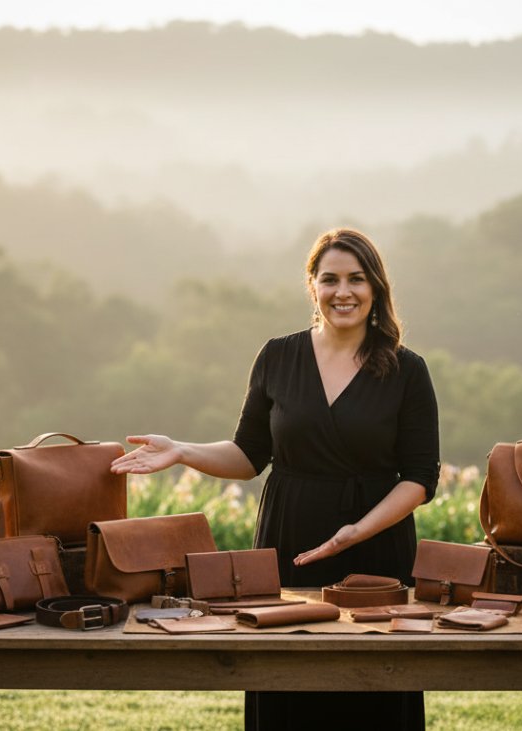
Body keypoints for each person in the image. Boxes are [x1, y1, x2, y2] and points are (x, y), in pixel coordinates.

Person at [110, 227, 440, 730]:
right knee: (286, 677)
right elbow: (247, 455)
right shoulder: (277, 357)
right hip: (290, 540)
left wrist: (356, 531)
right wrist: (181, 451)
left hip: (376, 549)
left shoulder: (407, 370)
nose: (343, 291)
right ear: (312, 286)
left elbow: (419, 477)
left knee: (373, 688)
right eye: (329, 279)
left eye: (356, 278)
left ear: (375, 287)